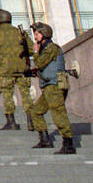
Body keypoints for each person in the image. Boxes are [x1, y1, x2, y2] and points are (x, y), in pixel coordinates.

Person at [28, 22, 76, 154]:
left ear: (44, 34)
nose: (35, 37)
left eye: (37, 34)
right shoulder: (45, 48)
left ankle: (68, 144)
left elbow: (40, 63)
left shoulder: (51, 48)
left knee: (58, 114)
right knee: (36, 111)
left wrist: (35, 52)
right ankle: (44, 140)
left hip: (54, 86)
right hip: (49, 86)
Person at [0, 9, 35, 130]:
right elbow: (31, 49)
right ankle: (31, 120)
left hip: (5, 70)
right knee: (26, 95)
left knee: (8, 96)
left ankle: (11, 122)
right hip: (22, 69)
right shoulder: (20, 32)